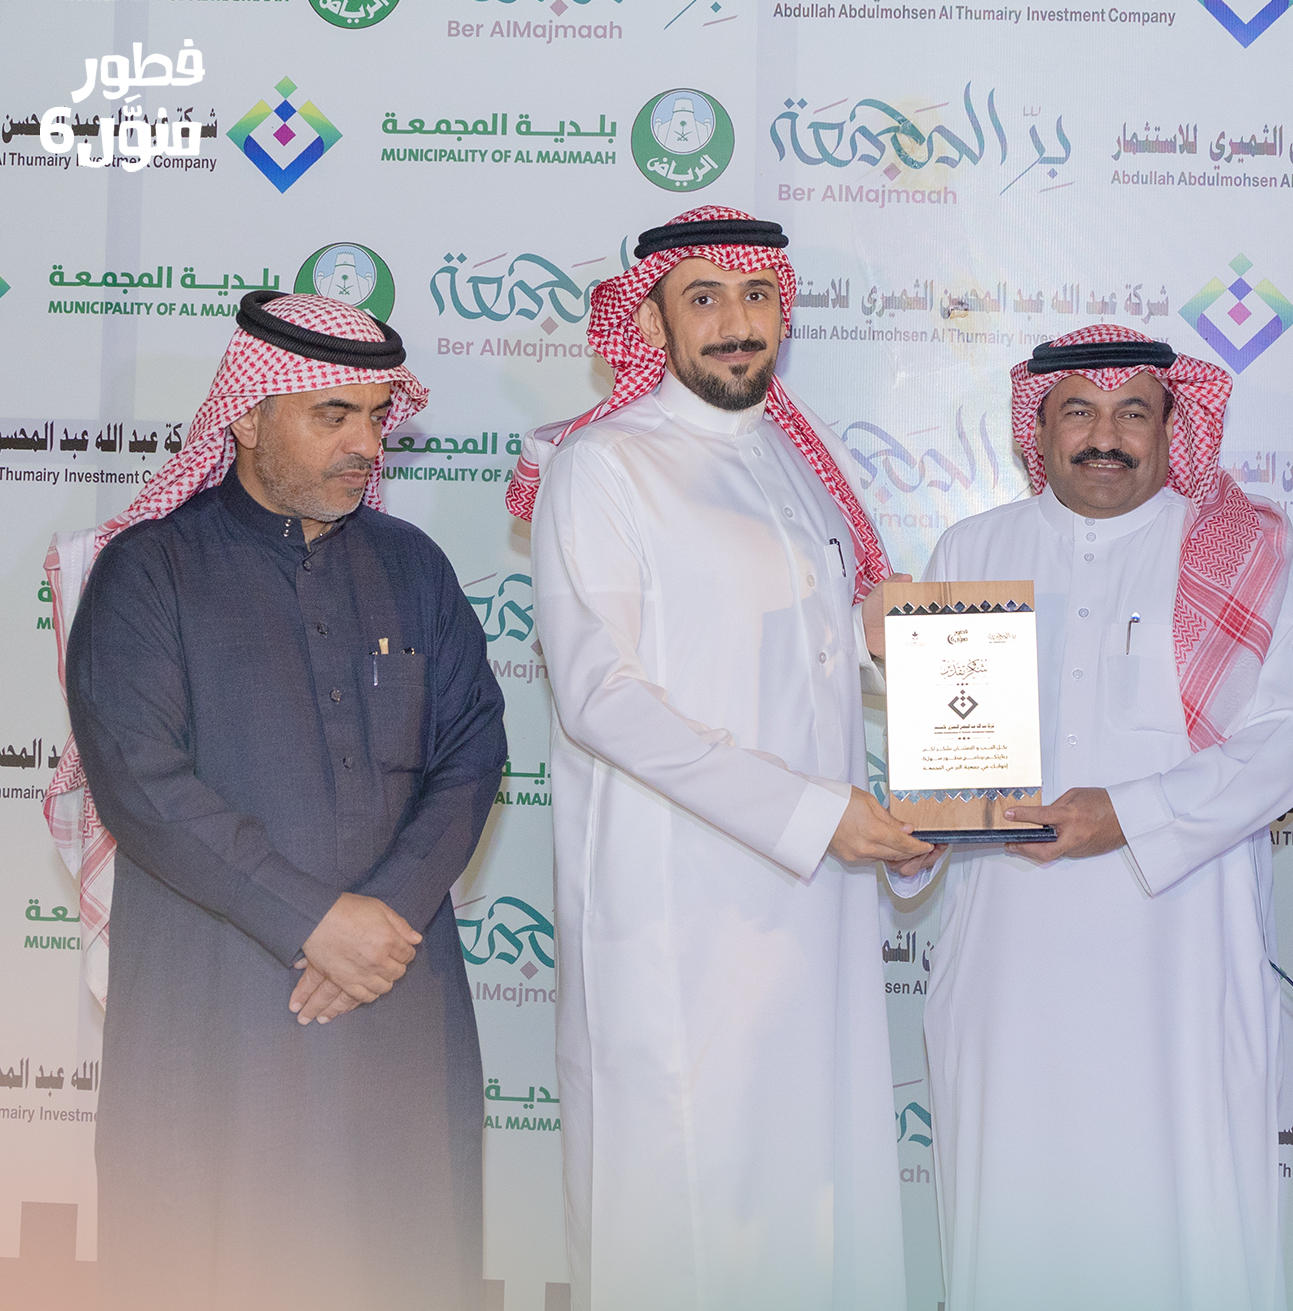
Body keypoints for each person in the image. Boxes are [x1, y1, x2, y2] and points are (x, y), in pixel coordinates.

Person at [50, 291, 506, 1311]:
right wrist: (313, 922)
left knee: (402, 1259)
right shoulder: (150, 571)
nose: (365, 446)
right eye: (332, 415)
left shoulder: (413, 567)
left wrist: (380, 919)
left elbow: (474, 748)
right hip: (221, 1005)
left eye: (376, 418)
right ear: (248, 416)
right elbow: (141, 781)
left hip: (394, 996)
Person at [512, 206, 927, 1310]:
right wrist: (816, 815)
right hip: (679, 914)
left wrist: (922, 750)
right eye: (704, 299)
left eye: (756, 297)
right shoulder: (603, 467)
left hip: (813, 914)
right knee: (681, 1220)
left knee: (810, 1208)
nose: (737, 323)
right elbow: (601, 697)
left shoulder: (795, 460)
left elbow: (817, 659)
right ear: (651, 319)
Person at [898, 325, 1293, 1310]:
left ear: (1172, 427)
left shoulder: (1242, 553)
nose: (1106, 437)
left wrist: (1128, 815)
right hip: (1008, 964)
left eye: (1133, 412)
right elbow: (944, 759)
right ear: (1038, 428)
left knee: (1181, 1225)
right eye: (1078, 413)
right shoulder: (973, 549)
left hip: (1180, 957)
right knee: (1016, 1217)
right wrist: (922, 831)